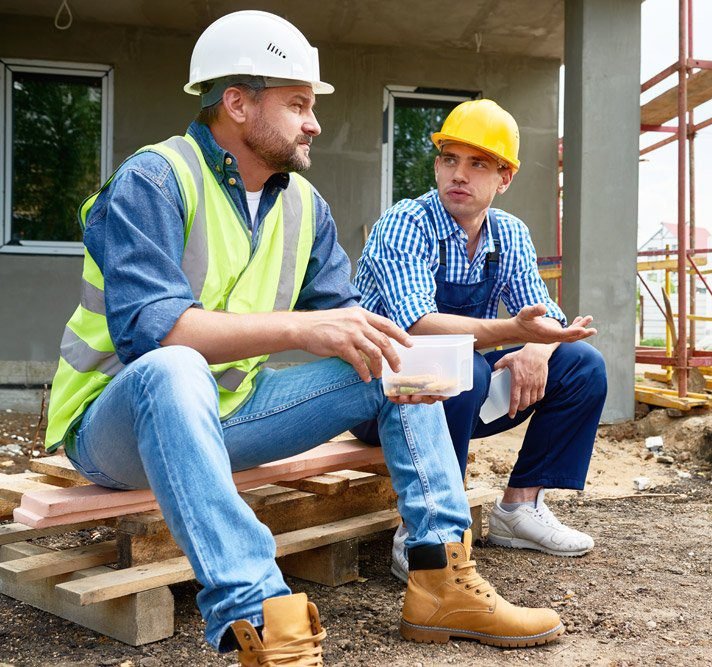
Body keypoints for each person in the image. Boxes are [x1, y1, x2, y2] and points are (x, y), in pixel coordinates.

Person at [44, 12, 563, 663]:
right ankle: (262, 617)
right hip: (117, 423)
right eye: (298, 104)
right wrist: (301, 327)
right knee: (174, 367)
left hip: (235, 412)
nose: (314, 122)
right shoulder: (154, 181)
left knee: (396, 358)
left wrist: (402, 370)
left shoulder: (302, 206)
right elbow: (159, 333)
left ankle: (440, 576)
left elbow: (356, 330)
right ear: (236, 102)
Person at [353, 99, 608, 581]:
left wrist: (537, 347)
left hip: (456, 398)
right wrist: (516, 332)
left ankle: (519, 511)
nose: (459, 174)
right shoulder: (406, 223)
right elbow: (418, 326)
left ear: (504, 178)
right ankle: (423, 530)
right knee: (460, 369)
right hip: (381, 395)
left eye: (477, 163)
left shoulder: (508, 234)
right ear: (436, 165)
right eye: (449, 159)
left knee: (581, 364)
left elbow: (545, 313)